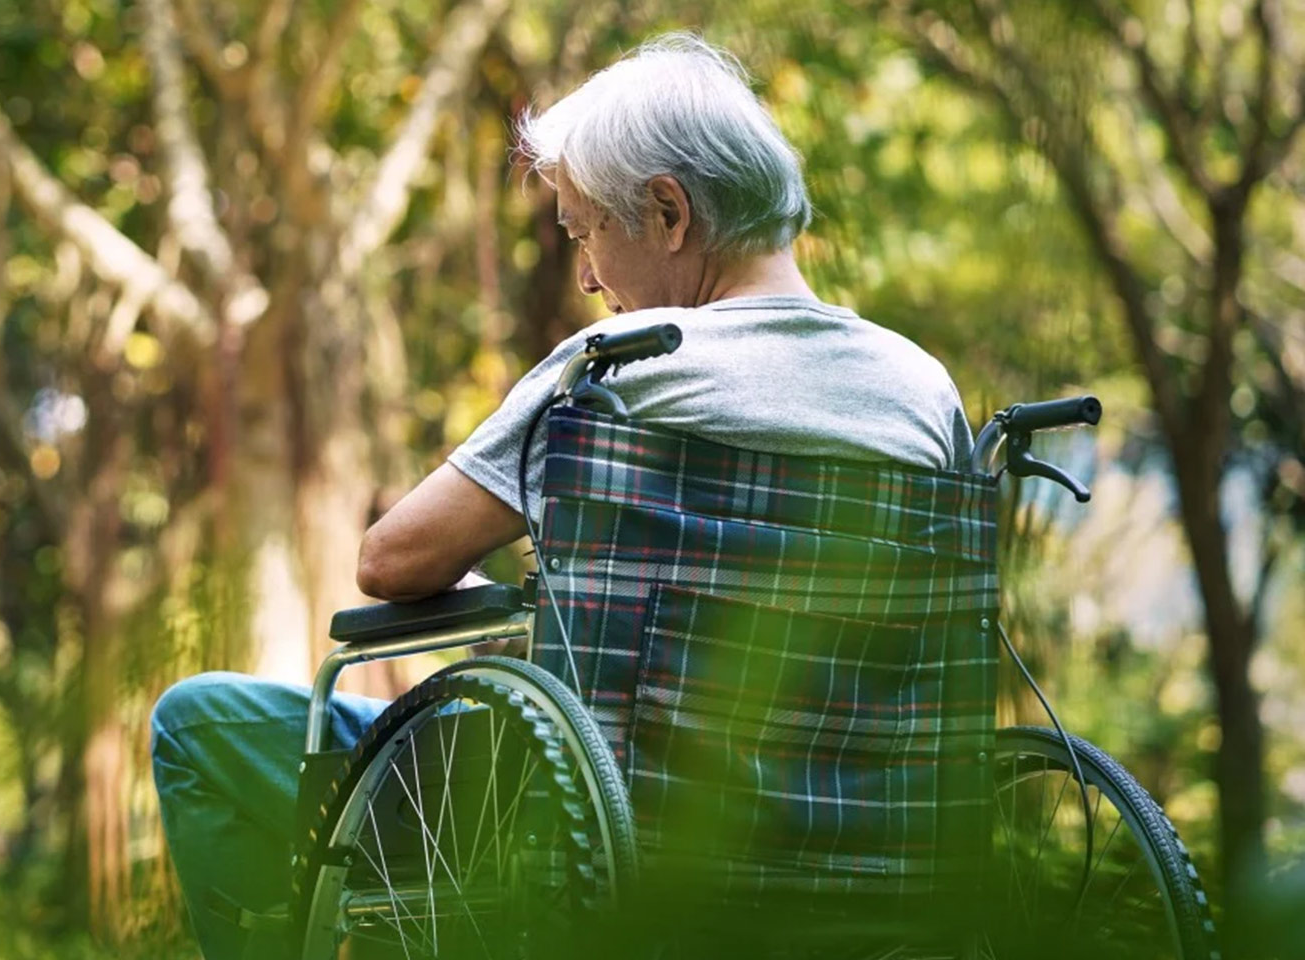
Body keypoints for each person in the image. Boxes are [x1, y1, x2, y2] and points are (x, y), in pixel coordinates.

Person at [150, 32, 973, 960]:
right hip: (871, 853)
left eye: (586, 231)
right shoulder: (923, 391)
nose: (585, 276)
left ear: (668, 212)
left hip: (597, 833)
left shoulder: (620, 370)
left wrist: (519, 613)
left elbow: (391, 561)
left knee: (198, 721)